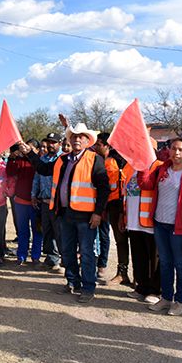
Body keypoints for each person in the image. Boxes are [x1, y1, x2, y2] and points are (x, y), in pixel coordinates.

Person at [21, 123, 110, 303]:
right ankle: (72, 281)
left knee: (86, 253)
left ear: (87, 141)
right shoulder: (61, 160)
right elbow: (43, 169)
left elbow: (104, 189)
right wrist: (29, 153)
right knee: (67, 251)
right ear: (69, 139)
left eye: (81, 137)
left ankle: (88, 287)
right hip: (64, 214)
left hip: (86, 216)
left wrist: (98, 213)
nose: (77, 139)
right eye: (74, 136)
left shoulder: (95, 159)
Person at [138, 138, 182, 316]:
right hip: (160, 224)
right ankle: (166, 298)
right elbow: (145, 184)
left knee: (181, 264)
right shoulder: (162, 169)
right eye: (173, 149)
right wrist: (142, 166)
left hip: (181, 228)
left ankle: (180, 301)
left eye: (180, 149)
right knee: (165, 263)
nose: (176, 153)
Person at [121, 148, 162, 305]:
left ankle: (155, 290)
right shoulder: (132, 168)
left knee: (155, 258)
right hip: (133, 222)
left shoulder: (159, 166)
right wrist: (123, 216)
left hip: (150, 222)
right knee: (139, 256)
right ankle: (141, 287)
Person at [94, 132, 130, 285]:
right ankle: (123, 273)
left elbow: (109, 187)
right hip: (114, 205)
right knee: (120, 240)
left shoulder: (110, 162)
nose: (96, 147)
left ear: (107, 145)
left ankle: (124, 273)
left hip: (117, 205)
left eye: (98, 144)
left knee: (122, 240)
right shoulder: (110, 160)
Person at [7, 139, 42, 266]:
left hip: (36, 203)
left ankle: (36, 256)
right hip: (21, 202)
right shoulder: (20, 160)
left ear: (37, 150)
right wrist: (11, 159)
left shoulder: (41, 162)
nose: (27, 150)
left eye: (31, 148)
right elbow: (10, 173)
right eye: (26, 147)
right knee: (22, 231)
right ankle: (21, 255)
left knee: (37, 231)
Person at [31, 133, 63, 272]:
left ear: (59, 144)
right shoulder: (42, 159)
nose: (51, 145)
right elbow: (37, 178)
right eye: (49, 142)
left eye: (54, 142)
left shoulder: (63, 159)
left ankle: (62, 260)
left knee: (59, 232)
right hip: (44, 201)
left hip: (57, 203)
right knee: (47, 231)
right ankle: (51, 258)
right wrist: (34, 194)